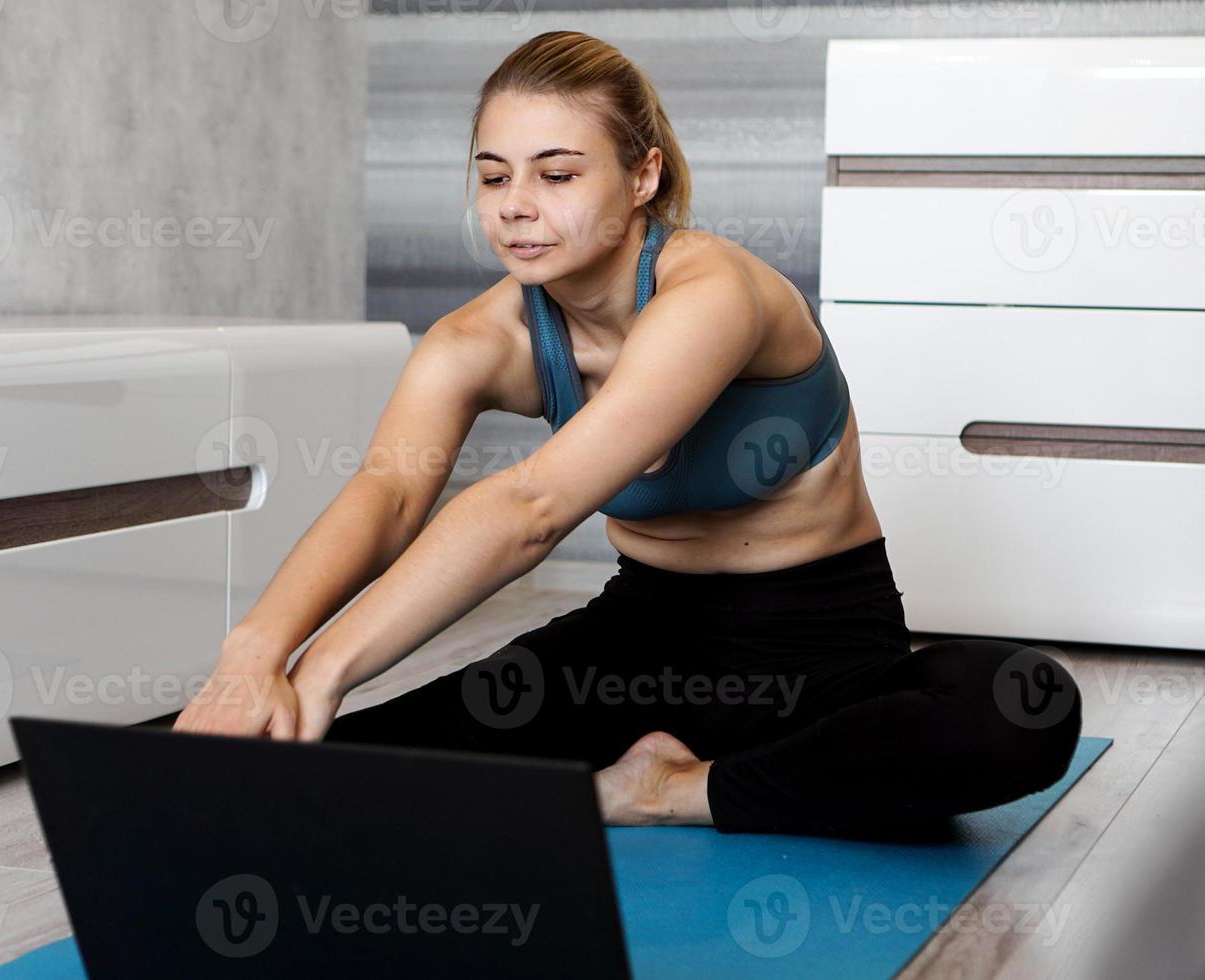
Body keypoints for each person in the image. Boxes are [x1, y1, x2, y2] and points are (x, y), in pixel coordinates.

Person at [173, 30, 1081, 836]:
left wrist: (325, 664)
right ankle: (727, 783)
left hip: (826, 657)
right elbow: (388, 494)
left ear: (642, 176)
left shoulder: (715, 293)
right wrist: (257, 656)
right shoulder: (476, 342)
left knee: (1024, 711)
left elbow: (532, 507)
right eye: (494, 176)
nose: (516, 204)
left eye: (558, 174)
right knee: (316, 764)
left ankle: (669, 792)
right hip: (629, 657)